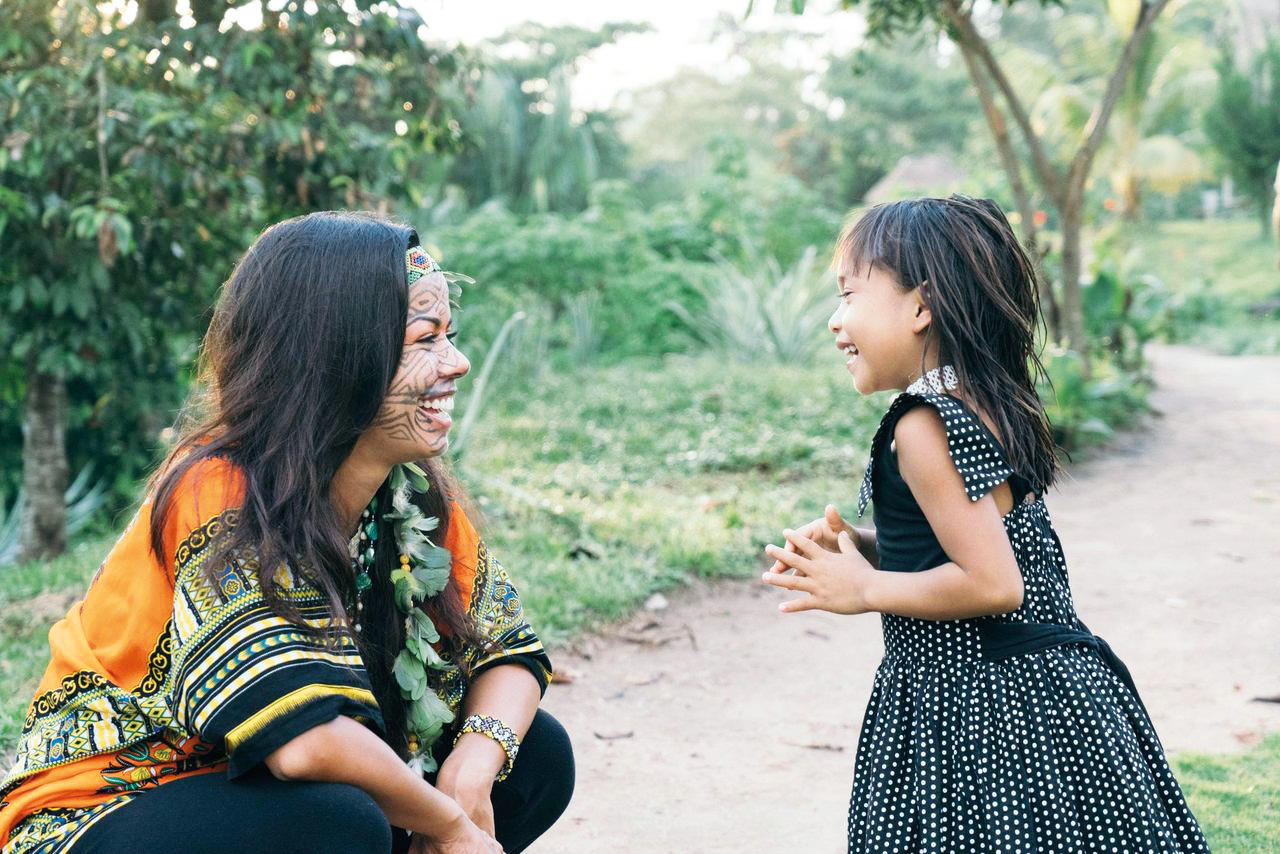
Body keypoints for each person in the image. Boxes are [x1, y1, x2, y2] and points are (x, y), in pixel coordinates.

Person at [0, 212, 573, 854]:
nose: (457, 363)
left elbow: (509, 653)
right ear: (337, 354)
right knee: (334, 823)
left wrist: (469, 777)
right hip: (120, 801)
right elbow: (303, 743)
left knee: (535, 755)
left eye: (452, 336)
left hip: (281, 801)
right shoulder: (217, 491)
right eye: (424, 339)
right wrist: (448, 825)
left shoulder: (410, 488)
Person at [762, 196, 1207, 852]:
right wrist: (866, 548)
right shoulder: (982, 402)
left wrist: (864, 590)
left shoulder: (923, 423)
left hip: (975, 708)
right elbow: (982, 545)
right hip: (1041, 696)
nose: (835, 320)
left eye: (850, 295)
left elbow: (993, 584)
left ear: (921, 306)